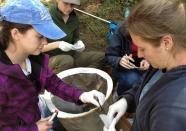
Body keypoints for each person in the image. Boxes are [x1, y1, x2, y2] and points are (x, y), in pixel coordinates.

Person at [0, 0, 105, 130]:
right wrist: (34, 128)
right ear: (16, 34)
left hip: (35, 115)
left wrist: (82, 95)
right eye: (40, 36)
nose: (45, 42)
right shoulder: (3, 80)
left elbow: (53, 82)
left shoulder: (32, 59)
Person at [103, 0, 186, 131]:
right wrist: (127, 100)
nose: (140, 55)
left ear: (166, 43)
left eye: (142, 48)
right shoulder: (165, 60)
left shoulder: (172, 113)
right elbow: (148, 84)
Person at [42, 0, 105, 74]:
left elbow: (75, 37)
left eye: (72, 5)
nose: (69, 8)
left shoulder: (73, 18)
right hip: (51, 59)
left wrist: (78, 42)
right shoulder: (46, 18)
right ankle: (52, 82)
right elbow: (38, 48)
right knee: (67, 61)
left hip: (72, 55)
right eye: (65, 3)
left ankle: (82, 77)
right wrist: (58, 44)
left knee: (102, 56)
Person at [105, 23, 149, 96]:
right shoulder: (120, 31)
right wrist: (119, 61)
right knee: (133, 80)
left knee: (150, 80)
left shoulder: (152, 32)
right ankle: (120, 95)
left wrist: (148, 60)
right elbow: (109, 56)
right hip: (122, 67)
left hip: (142, 66)